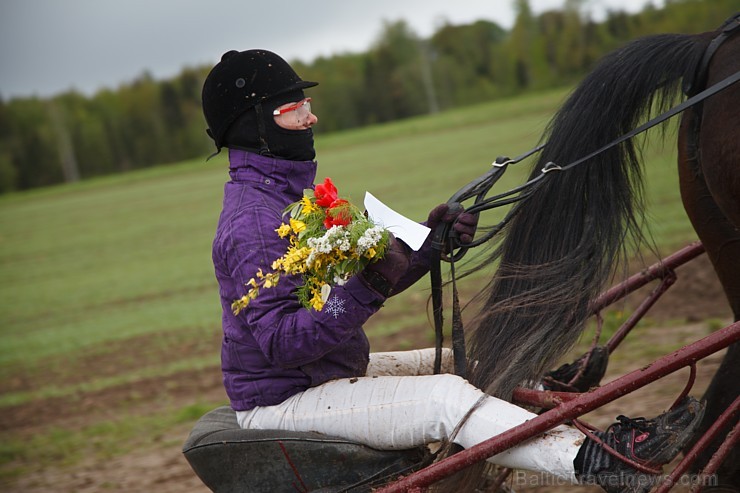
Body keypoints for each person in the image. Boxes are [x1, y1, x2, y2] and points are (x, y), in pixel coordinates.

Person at [203, 49, 705, 492]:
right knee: (445, 399)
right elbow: (283, 343)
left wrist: (425, 246)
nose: (311, 120)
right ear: (255, 126)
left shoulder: (285, 198)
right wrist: (370, 284)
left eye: (308, 107)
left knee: (459, 360)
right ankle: (598, 459)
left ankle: (540, 384)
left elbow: (346, 291)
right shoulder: (252, 223)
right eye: (294, 110)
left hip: (325, 372)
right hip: (285, 401)